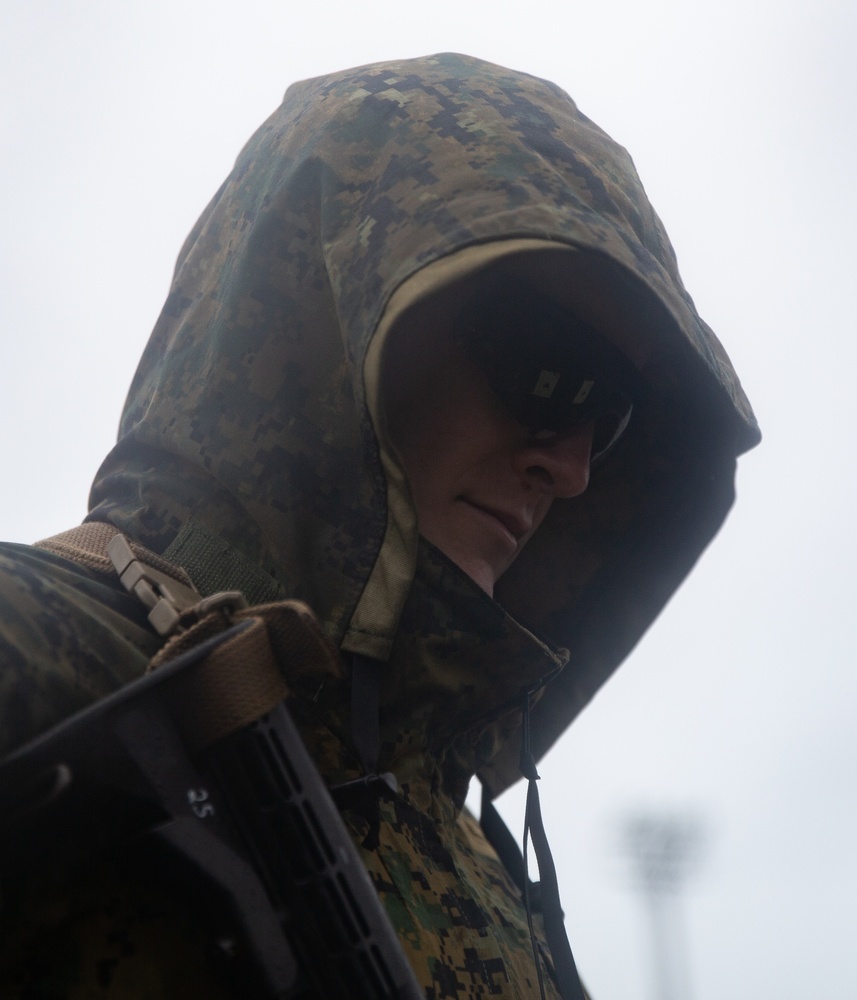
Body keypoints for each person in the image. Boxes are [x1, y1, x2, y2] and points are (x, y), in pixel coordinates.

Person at [0, 53, 759, 997]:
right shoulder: (37, 656)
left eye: (613, 416)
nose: (570, 469)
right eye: (553, 375)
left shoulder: (479, 860)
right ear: (333, 320)